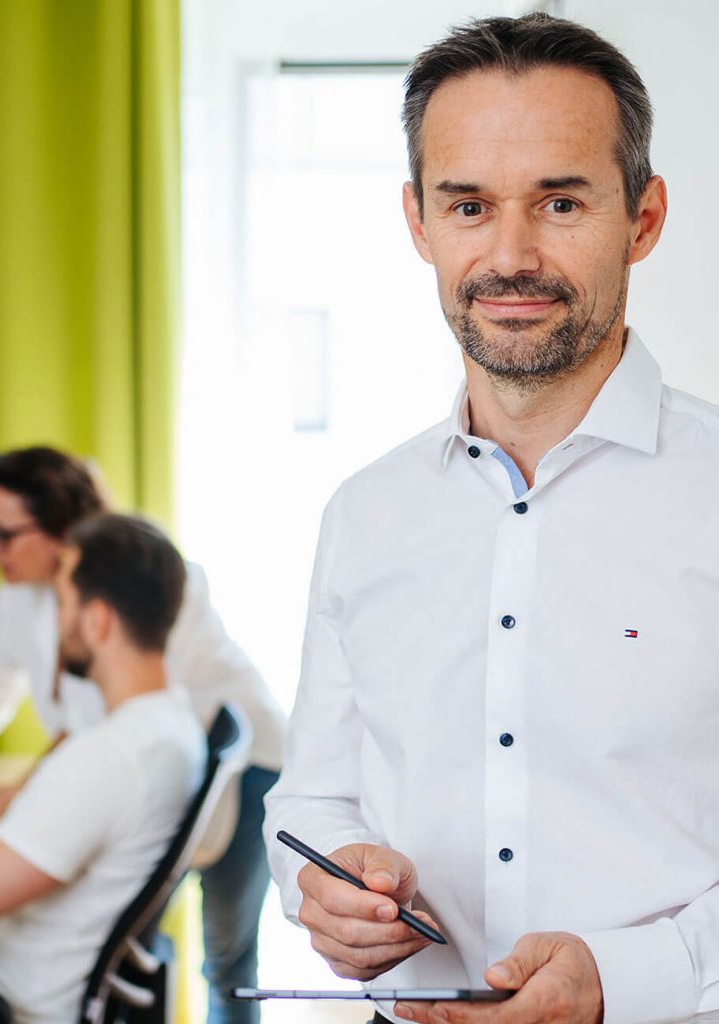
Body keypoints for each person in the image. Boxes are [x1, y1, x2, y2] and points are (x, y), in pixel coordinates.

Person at [263, 13, 719, 1024]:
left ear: (641, 219)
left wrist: (630, 975)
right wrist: (330, 881)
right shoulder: (363, 514)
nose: (510, 256)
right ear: (417, 222)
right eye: (467, 205)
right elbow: (312, 796)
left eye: (559, 201)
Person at [0, 446, 286, 1024]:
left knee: (226, 960)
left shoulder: (126, 727)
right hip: (153, 772)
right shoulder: (139, 728)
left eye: (3, 533)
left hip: (248, 773)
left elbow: (90, 766)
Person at [0, 512, 206, 1024]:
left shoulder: (111, 756)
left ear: (98, 620)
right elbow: (21, 804)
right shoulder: (170, 723)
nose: (56, 623)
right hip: (13, 981)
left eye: (61, 602)